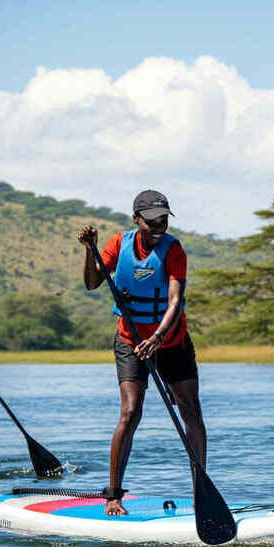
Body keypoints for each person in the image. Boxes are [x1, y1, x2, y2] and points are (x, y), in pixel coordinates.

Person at [77, 189, 206, 516]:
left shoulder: (174, 250)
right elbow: (92, 282)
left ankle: (201, 488)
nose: (159, 225)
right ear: (137, 220)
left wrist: (159, 337)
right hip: (130, 341)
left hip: (171, 340)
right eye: (151, 221)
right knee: (130, 412)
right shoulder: (118, 244)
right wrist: (90, 250)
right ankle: (113, 496)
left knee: (190, 408)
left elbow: (176, 301)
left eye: (163, 219)